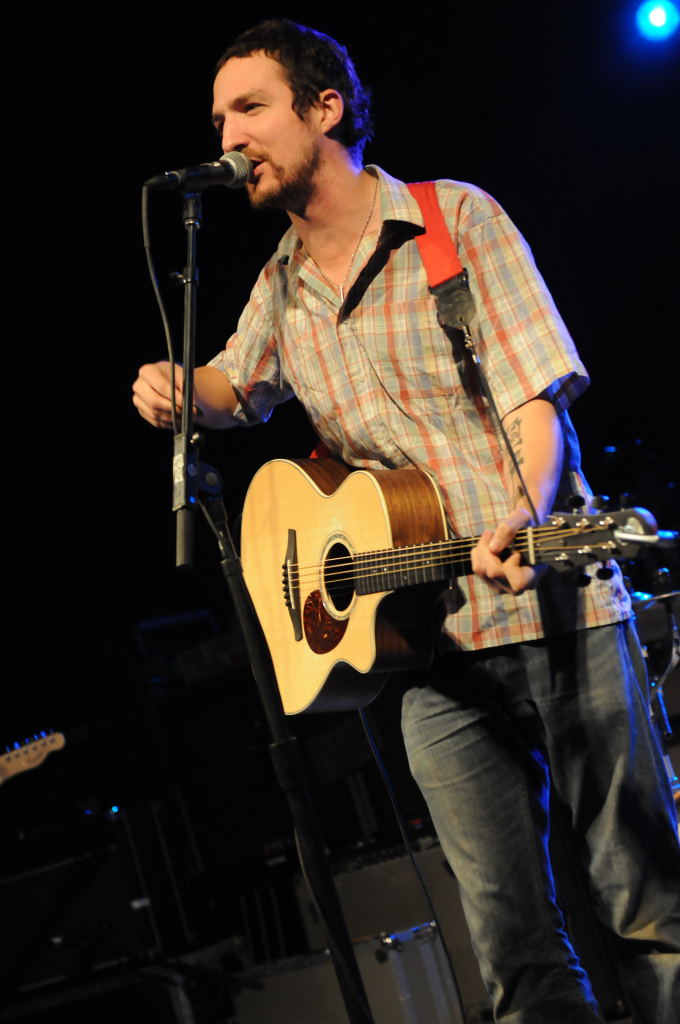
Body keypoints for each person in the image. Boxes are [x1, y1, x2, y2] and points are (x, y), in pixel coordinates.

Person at [132, 19, 680, 1023]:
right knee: (511, 950)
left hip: (553, 607)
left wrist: (525, 512)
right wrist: (177, 384)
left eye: (249, 108)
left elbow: (534, 397)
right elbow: (235, 388)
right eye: (217, 120)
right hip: (425, 654)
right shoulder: (279, 287)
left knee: (646, 909)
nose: (229, 135)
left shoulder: (452, 220)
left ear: (325, 108)